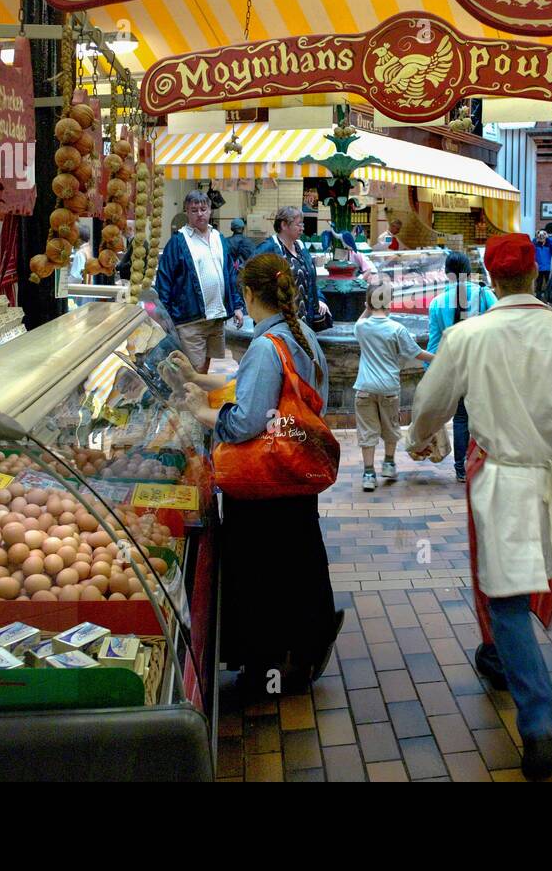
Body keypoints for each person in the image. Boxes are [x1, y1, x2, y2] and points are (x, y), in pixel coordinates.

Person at [405, 234, 552, 780]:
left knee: (506, 599)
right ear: (538, 278)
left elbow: (430, 402)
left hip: (498, 482)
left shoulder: (468, 335)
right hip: (550, 482)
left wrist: (417, 438)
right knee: (527, 586)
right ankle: (509, 670)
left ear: (491, 280)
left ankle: (539, 723)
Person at [177, 253, 341, 696]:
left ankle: (265, 669)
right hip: (294, 472)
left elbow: (248, 419)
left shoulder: (268, 346)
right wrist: (205, 382)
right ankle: (307, 647)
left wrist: (201, 411)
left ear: (249, 294)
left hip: (262, 482)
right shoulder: (303, 334)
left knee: (262, 574)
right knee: (300, 560)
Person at [354, 274, 433, 491]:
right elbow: (416, 353)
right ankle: (388, 464)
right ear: (389, 302)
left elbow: (361, 320)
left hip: (364, 388)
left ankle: (369, 475)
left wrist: (367, 307)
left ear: (369, 304)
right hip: (389, 388)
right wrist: (438, 358)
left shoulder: (361, 328)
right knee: (391, 428)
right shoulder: (397, 329)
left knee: (367, 432)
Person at [154, 190, 244, 372]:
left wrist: (236, 306)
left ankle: (200, 398)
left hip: (216, 316)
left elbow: (230, 274)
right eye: (194, 210)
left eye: (203, 209)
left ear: (210, 210)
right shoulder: (178, 242)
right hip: (189, 319)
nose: (199, 213)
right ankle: (190, 398)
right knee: (192, 370)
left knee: (206, 367)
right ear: (186, 212)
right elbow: (164, 281)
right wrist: (164, 316)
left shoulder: (219, 238)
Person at [427, 250, 498, 482]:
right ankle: (483, 464)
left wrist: (431, 377)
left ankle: (460, 469)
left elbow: (434, 343)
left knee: (460, 419)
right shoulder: (483, 294)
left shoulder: (437, 303)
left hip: (455, 370)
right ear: (469, 273)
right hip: (482, 366)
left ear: (446, 274)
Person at [252, 206, 331, 328]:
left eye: (302, 224)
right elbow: (246, 275)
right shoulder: (268, 248)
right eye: (298, 224)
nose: (302, 228)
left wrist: (318, 299)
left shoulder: (301, 247)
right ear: (284, 225)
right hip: (278, 323)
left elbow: (310, 279)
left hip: (304, 321)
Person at [224, 218, 254, 286]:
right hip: (244, 278)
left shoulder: (225, 242)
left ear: (231, 229)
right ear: (243, 228)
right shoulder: (249, 242)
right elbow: (254, 259)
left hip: (229, 279)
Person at [533, 230, 552, 300]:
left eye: (543, 234)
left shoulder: (549, 243)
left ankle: (549, 297)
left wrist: (548, 238)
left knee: (549, 283)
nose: (541, 236)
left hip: (548, 268)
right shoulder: (535, 243)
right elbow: (531, 247)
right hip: (539, 268)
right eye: (540, 234)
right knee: (538, 284)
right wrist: (536, 238)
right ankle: (538, 297)